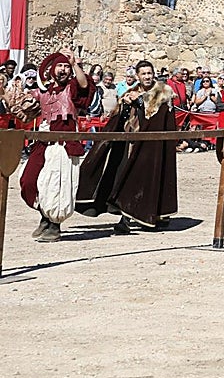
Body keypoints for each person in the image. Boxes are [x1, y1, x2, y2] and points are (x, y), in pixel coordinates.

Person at [76, 60, 179, 233]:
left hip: (152, 148)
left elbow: (156, 120)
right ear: (137, 76)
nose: (147, 76)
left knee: (149, 180)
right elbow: (120, 116)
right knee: (126, 178)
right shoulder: (132, 91)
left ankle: (150, 215)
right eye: (143, 74)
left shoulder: (163, 92)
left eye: (149, 73)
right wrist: (126, 103)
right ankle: (125, 217)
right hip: (130, 145)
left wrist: (139, 102)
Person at [17, 51, 94, 242]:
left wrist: (75, 64)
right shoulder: (43, 91)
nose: (64, 70)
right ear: (52, 69)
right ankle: (44, 214)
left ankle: (54, 225)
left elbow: (85, 86)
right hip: (43, 143)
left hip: (64, 145)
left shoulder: (73, 89)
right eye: (61, 66)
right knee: (29, 181)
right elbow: (23, 110)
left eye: (66, 67)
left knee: (57, 185)